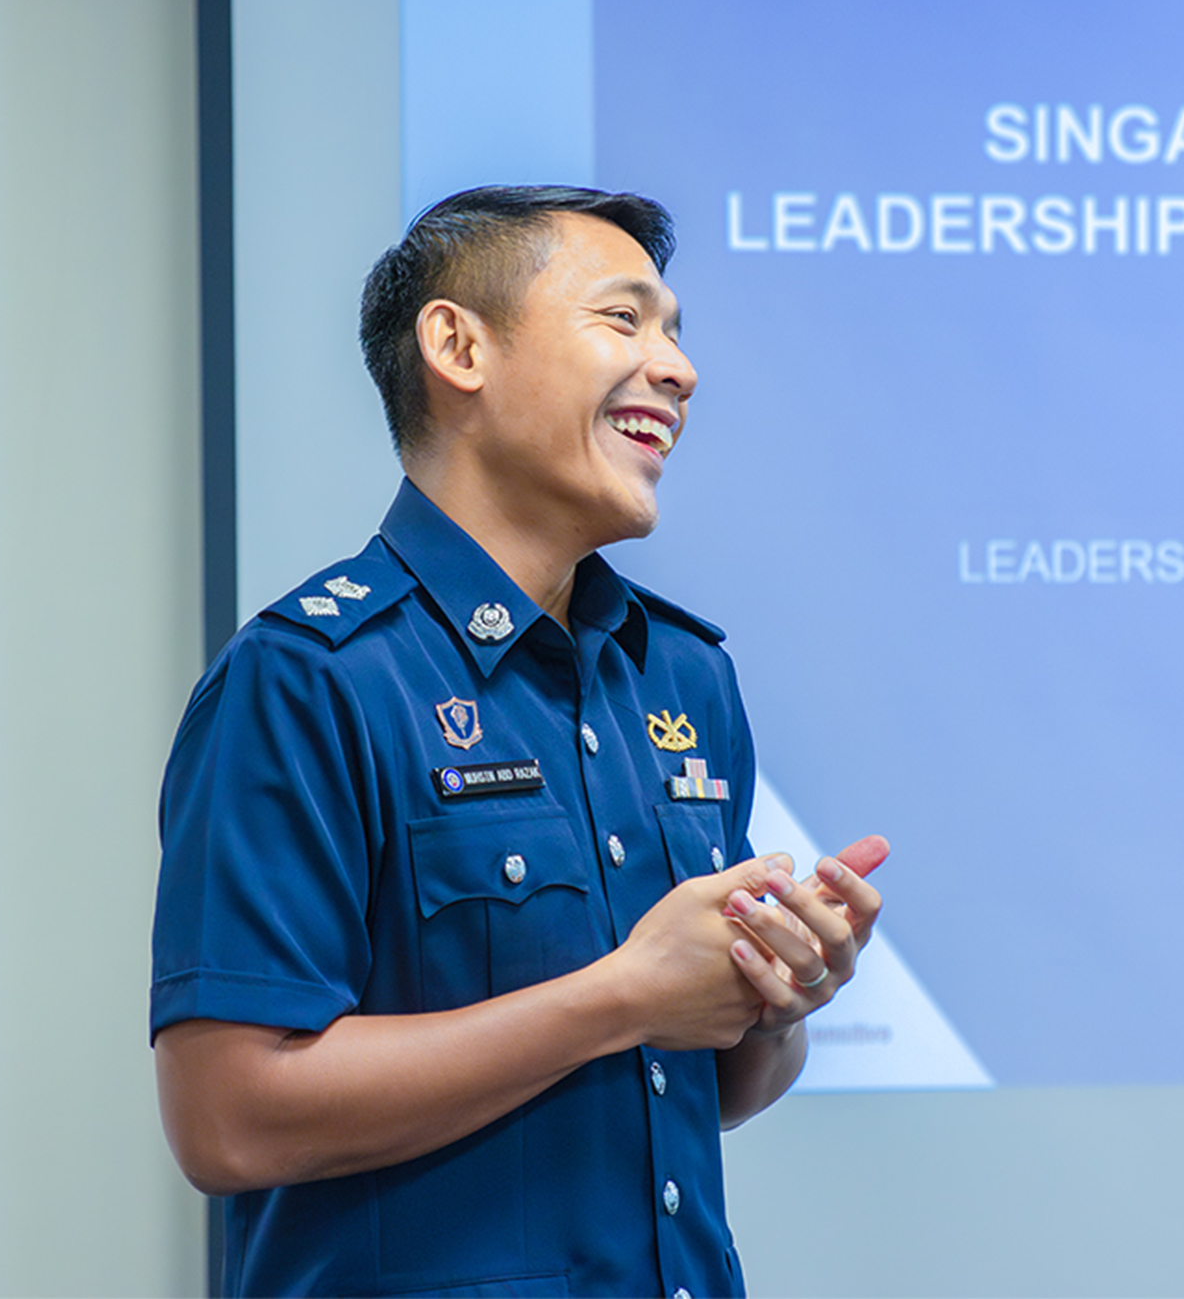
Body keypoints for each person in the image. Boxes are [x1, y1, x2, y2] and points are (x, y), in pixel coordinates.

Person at [151, 186, 887, 1298]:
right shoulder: (310, 677)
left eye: (676, 333)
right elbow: (228, 1119)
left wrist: (772, 1001)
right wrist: (623, 994)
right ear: (457, 347)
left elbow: (702, 1083)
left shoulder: (682, 674)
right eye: (624, 320)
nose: (677, 370)